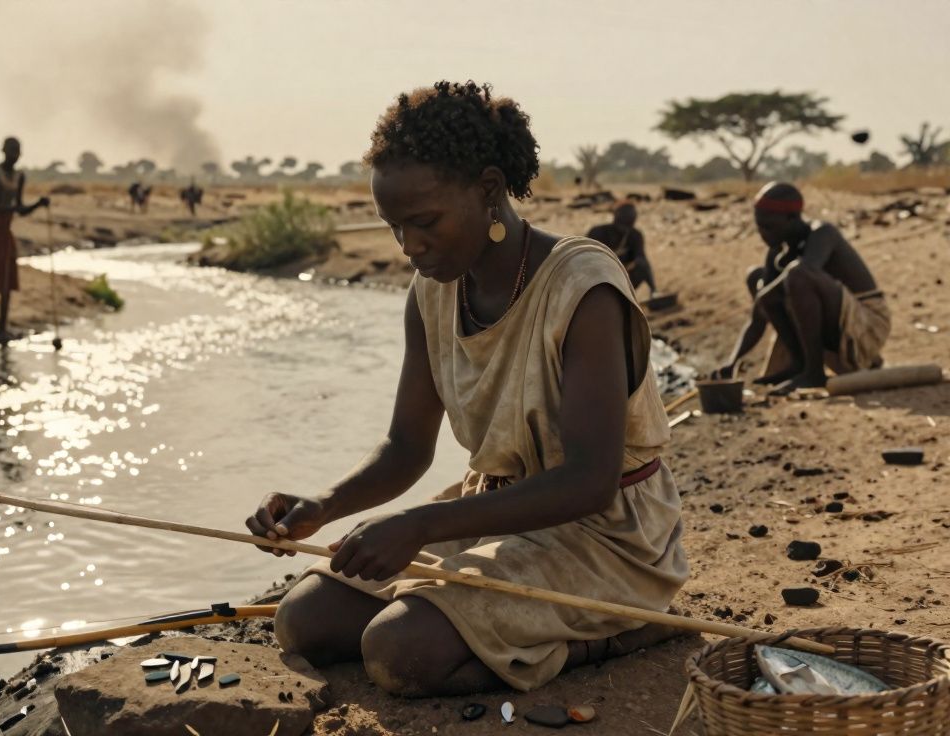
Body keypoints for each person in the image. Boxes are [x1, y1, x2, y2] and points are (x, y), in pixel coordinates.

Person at [244, 81, 686, 697]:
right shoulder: (430, 293)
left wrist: (420, 524)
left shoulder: (582, 289)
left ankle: (627, 628)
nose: (410, 246)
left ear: (488, 189)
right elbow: (406, 448)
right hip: (496, 512)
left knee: (399, 653)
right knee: (304, 621)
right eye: (394, 228)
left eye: (424, 223)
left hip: (606, 534)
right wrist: (322, 508)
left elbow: (589, 479)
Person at [712, 182, 888, 394]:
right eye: (759, 227)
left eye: (769, 227)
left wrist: (764, 298)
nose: (763, 235)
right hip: (838, 329)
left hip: (867, 326)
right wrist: (732, 362)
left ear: (792, 219)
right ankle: (799, 364)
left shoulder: (823, 233)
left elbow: (805, 272)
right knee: (756, 278)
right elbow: (758, 317)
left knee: (795, 276)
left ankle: (813, 372)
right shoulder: (777, 252)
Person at [0, 137, 49, 342]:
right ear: (4, 151)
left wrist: (39, 204)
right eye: (11, 151)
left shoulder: (19, 177)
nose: (14, 155)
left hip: (4, 231)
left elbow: (20, 209)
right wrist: (5, 210)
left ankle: (2, 329)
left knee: (7, 279)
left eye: (17, 151)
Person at [586, 202, 656, 295]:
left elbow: (642, 260)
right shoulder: (597, 232)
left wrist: (653, 289)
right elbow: (587, 259)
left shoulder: (635, 236)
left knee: (642, 266)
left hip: (623, 280)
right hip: (598, 279)